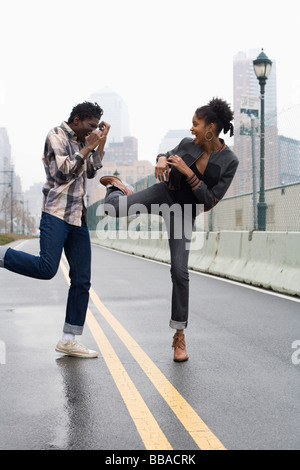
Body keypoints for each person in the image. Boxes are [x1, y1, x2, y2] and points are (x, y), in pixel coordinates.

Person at [100, 97, 239, 362]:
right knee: (111, 210)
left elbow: (209, 201)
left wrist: (189, 174)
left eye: (195, 124)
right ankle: (117, 187)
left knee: (179, 270)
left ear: (211, 127)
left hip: (185, 211)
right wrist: (162, 159)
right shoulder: (187, 144)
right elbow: (166, 153)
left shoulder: (229, 161)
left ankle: (179, 336)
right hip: (164, 192)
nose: (192, 129)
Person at [0, 101, 110, 358]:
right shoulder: (56, 135)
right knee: (47, 268)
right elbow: (63, 172)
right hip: (55, 213)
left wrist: (100, 142)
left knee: (82, 280)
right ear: (77, 119)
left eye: (96, 127)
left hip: (78, 217)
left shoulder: (87, 141)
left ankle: (68, 339)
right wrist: (90, 145)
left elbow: (92, 170)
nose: (92, 130)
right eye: (90, 126)